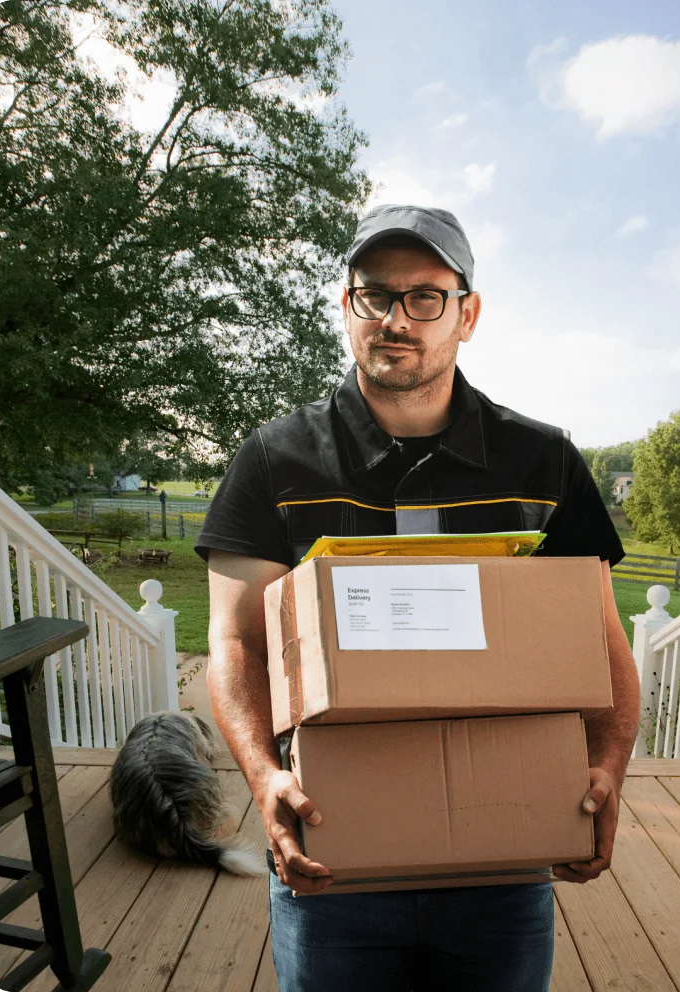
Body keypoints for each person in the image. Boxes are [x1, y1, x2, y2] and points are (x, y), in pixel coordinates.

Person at [195, 203, 642, 992]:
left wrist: (607, 763)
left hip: (503, 865)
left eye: (425, 297)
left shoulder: (542, 461)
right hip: (332, 859)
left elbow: (602, 639)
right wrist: (265, 778)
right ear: (347, 308)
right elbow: (235, 644)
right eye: (376, 294)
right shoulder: (274, 459)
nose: (397, 318)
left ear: (467, 315)